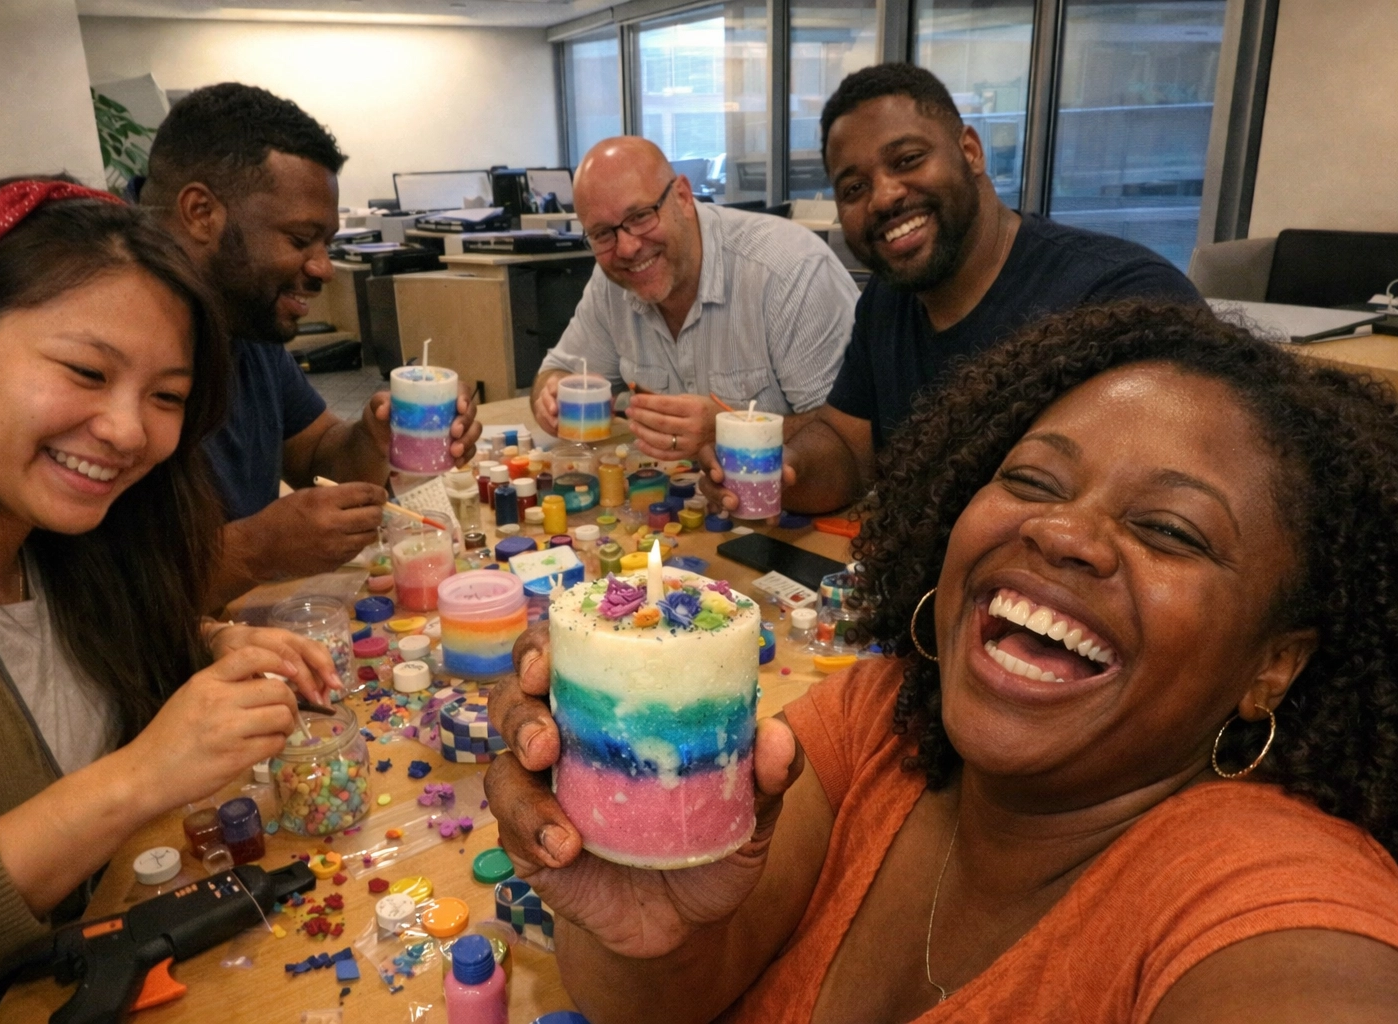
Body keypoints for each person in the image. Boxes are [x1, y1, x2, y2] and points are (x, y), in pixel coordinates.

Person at [486, 300, 1398, 1023]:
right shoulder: (877, 720)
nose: (1062, 531)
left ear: (1273, 665)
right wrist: (649, 921)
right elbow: (659, 997)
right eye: (1033, 480)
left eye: (1168, 530)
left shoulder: (1265, 894)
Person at [0, 178, 342, 1023]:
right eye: (86, 370)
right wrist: (141, 776)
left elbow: (44, 666)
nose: (127, 431)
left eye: (165, 396)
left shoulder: (56, 539)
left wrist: (206, 646)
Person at [703, 64, 1201, 516]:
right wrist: (785, 470)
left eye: (907, 159)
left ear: (970, 150)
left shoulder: (1119, 298)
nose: (885, 196)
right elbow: (848, 449)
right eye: (854, 189)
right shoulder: (886, 302)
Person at [141, 83, 481, 601]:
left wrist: (377, 437)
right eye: (300, 241)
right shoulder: (119, 347)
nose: (323, 268)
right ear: (200, 213)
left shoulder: (241, 320)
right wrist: (255, 549)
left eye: (327, 244)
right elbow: (101, 594)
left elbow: (317, 454)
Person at [531, 137, 857, 460]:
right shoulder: (611, 283)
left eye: (641, 216)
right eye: (603, 234)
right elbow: (554, 371)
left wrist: (731, 432)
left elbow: (852, 436)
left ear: (683, 197)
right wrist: (552, 394)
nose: (627, 249)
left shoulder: (789, 271)